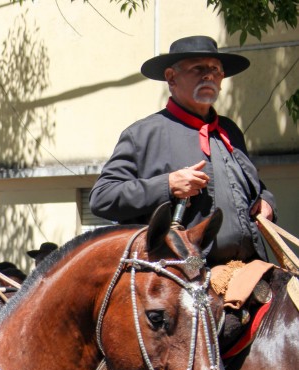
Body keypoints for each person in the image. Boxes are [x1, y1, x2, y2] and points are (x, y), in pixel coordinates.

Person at [90, 36, 276, 266]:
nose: (209, 75)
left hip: (249, 269)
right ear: (171, 77)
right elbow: (102, 198)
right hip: (181, 278)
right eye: (198, 68)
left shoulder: (230, 131)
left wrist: (266, 201)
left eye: (216, 69)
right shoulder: (143, 134)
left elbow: (253, 188)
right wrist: (167, 185)